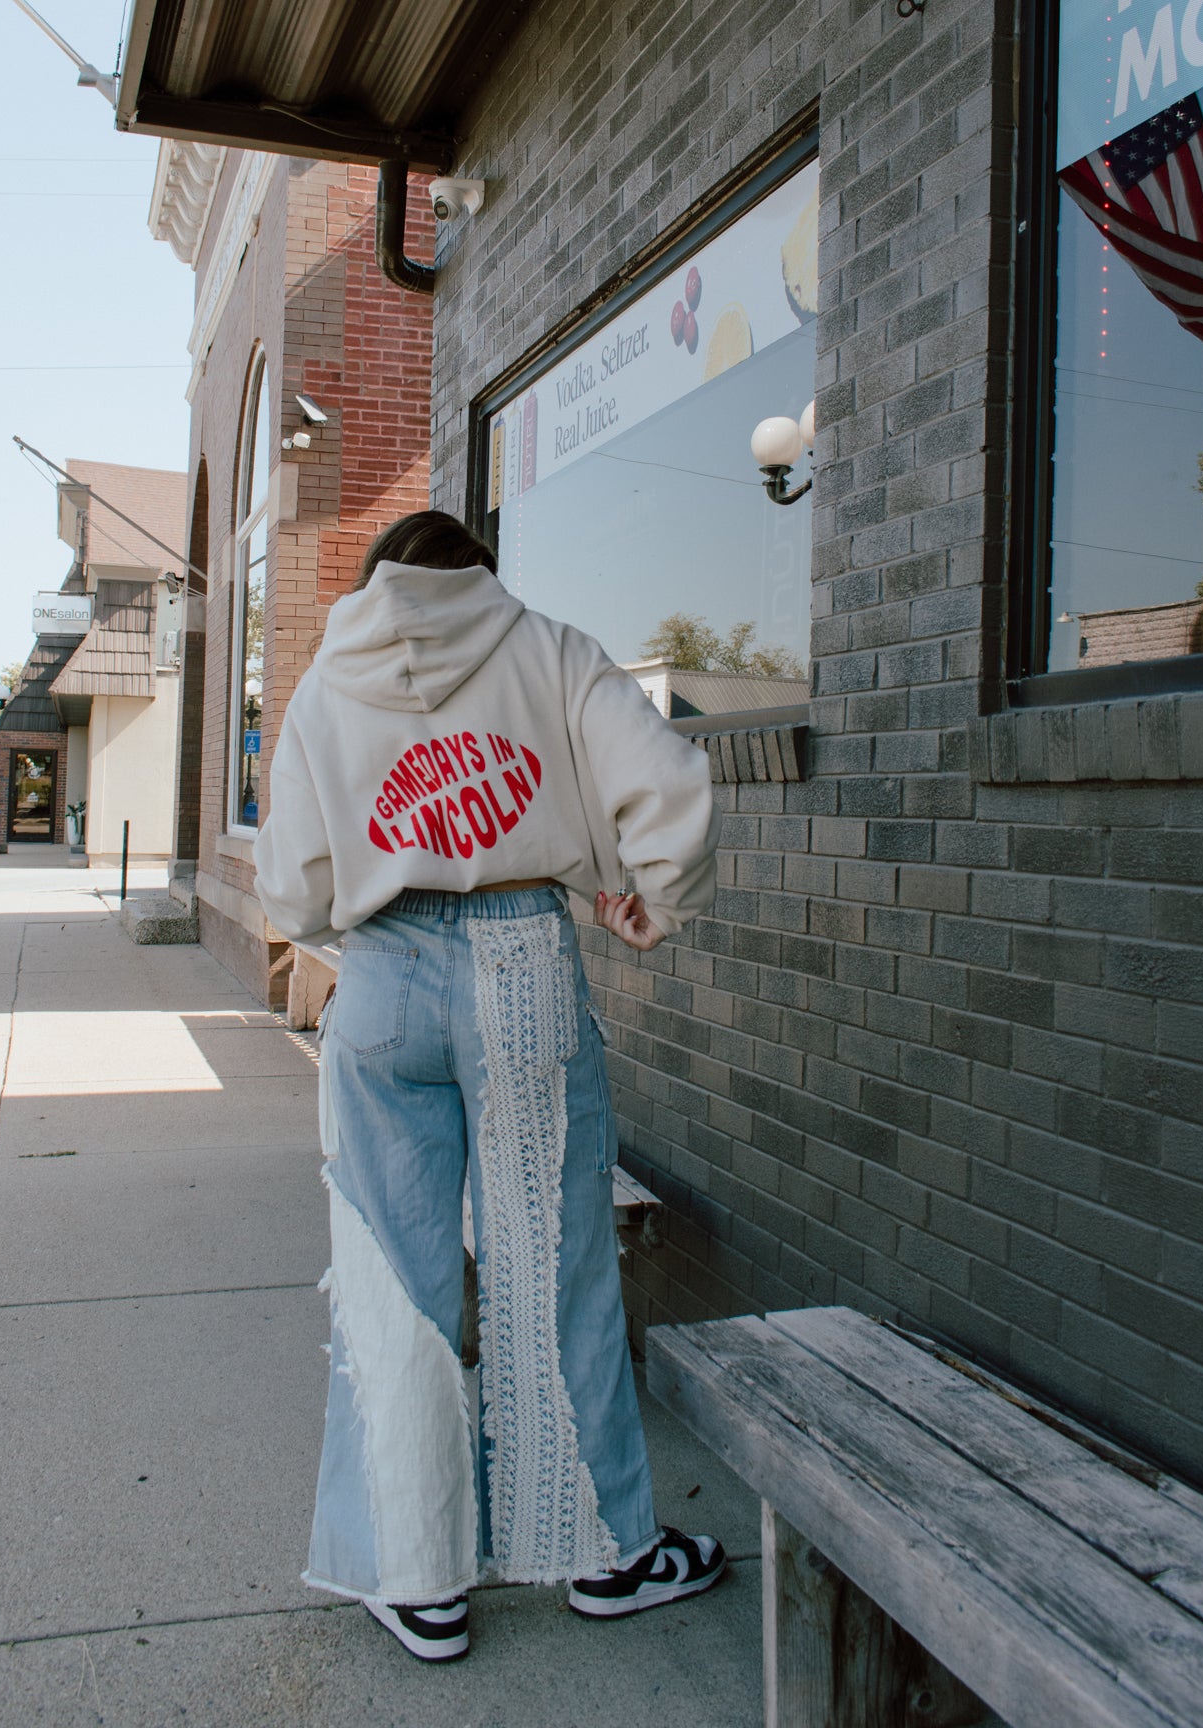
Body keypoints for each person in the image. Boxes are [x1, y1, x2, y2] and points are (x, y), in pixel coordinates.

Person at [254, 510, 726, 1662]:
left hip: (381, 975)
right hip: (521, 962)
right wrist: (644, 891)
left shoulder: (326, 683)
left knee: (392, 1269)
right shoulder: (549, 647)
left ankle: (421, 1578)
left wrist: (367, 919)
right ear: (479, 571)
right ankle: (607, 1550)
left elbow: (295, 883)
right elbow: (669, 780)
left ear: (378, 580)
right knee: (556, 1259)